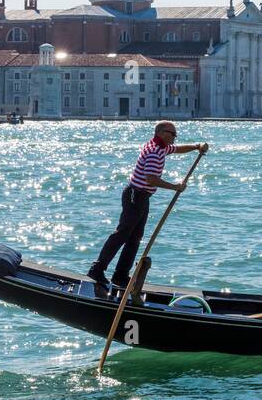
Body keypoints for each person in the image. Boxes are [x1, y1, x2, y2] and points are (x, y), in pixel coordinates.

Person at [88, 122, 208, 299]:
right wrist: (175, 187)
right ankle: (97, 269)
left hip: (142, 197)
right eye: (172, 133)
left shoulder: (161, 147)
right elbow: (151, 178)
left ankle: (120, 275)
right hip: (135, 195)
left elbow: (177, 149)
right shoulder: (154, 151)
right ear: (161, 133)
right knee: (123, 233)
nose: (174, 137)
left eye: (175, 134)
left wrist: (196, 146)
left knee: (135, 238)